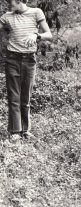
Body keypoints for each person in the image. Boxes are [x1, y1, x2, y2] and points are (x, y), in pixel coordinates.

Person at [0, 0, 52, 140]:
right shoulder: (7, 16)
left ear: (19, 1)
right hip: (12, 59)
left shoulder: (36, 12)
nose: (9, 4)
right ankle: (15, 132)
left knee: (25, 98)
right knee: (13, 97)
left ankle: (26, 130)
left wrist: (36, 35)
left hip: (29, 60)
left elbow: (49, 35)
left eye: (11, 2)